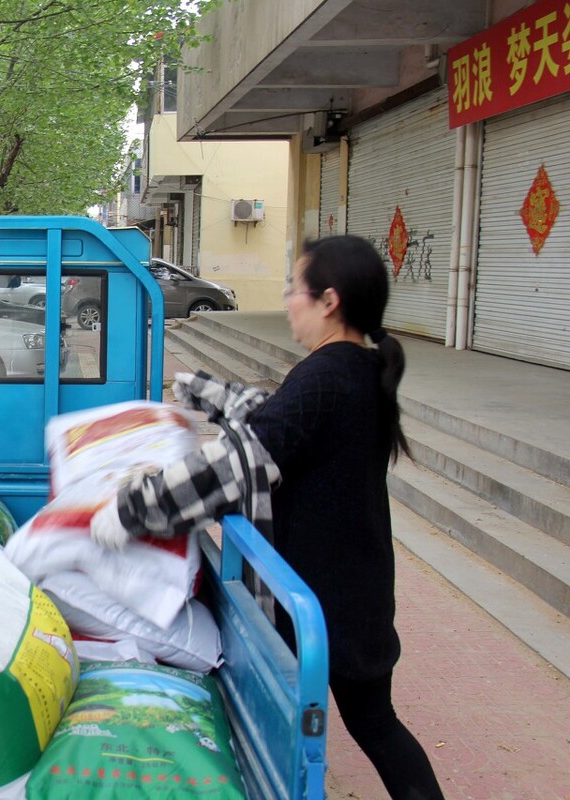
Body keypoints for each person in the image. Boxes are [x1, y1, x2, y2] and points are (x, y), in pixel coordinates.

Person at [91, 235, 445, 800]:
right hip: (359, 588)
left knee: (299, 731)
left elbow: (244, 461)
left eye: (293, 289)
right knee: (376, 724)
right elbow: (289, 428)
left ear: (327, 300)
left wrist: (136, 507)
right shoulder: (360, 370)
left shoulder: (327, 376)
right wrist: (209, 393)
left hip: (318, 599)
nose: (287, 303)